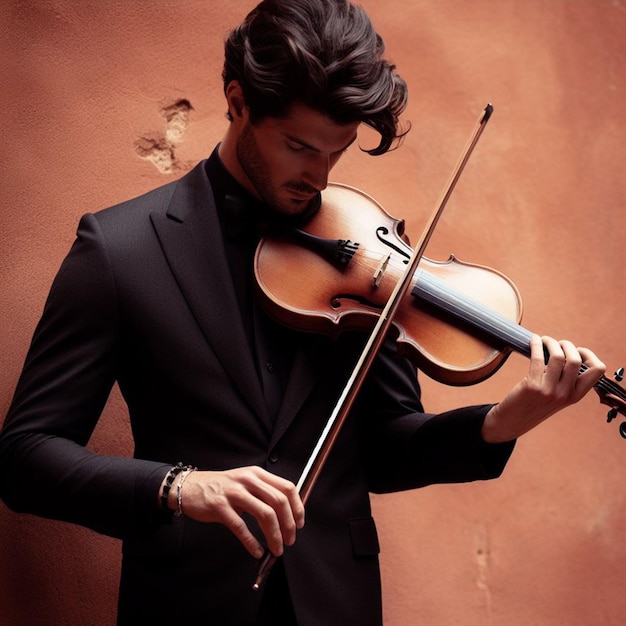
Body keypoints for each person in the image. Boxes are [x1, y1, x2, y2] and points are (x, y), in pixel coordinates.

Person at [0, 0, 605, 624]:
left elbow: (387, 449)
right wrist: (179, 486)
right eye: (298, 146)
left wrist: (502, 422)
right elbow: (25, 457)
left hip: (338, 605)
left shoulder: (364, 251)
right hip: (187, 605)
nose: (318, 176)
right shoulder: (120, 251)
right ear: (238, 101)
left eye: (336, 152)